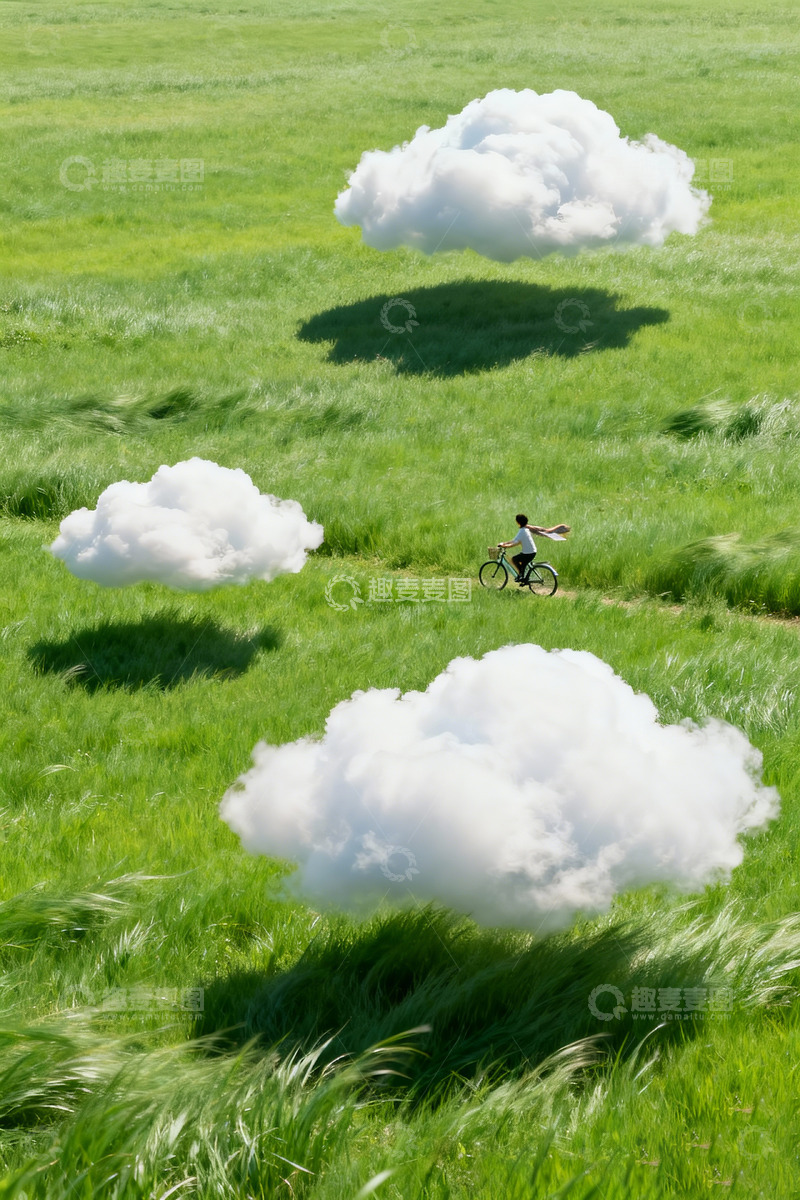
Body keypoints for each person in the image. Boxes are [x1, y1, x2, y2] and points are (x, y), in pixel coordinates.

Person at [499, 514, 549, 585]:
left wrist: (505, 546)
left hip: (528, 553)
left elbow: (515, 543)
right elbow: (514, 540)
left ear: (518, 522)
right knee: (522, 564)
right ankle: (523, 577)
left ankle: (521, 576)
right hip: (532, 552)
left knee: (514, 559)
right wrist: (504, 543)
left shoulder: (522, 531)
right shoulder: (525, 529)